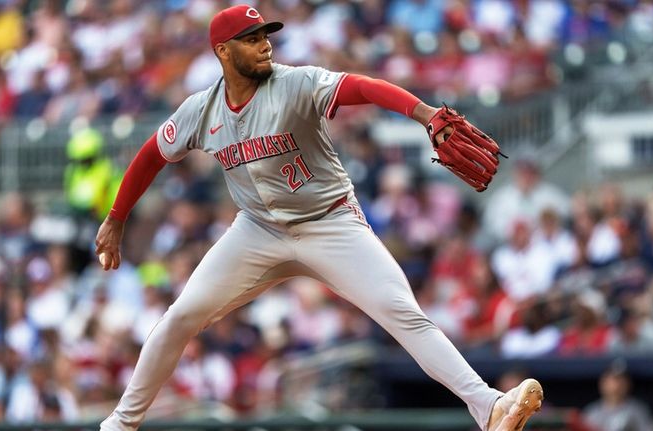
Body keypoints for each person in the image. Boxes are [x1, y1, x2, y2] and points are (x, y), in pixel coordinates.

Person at [94, 5, 543, 431]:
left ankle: (488, 405)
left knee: (400, 311)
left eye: (265, 36)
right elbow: (153, 153)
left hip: (330, 223)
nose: (265, 45)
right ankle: (120, 423)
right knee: (181, 316)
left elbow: (363, 87)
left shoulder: (297, 82)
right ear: (223, 52)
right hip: (257, 230)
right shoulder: (201, 110)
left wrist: (424, 114)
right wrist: (116, 218)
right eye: (250, 39)